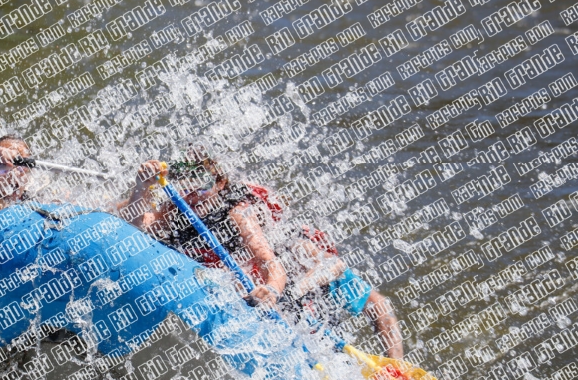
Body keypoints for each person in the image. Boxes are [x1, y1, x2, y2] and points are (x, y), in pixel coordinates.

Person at [117, 149, 404, 359]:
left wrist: (271, 290)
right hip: (251, 277)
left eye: (202, 185)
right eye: (186, 185)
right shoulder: (179, 210)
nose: (194, 194)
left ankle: (395, 363)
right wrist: (142, 187)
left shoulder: (239, 214)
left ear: (219, 185)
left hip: (290, 279)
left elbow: (273, 267)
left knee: (369, 299)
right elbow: (136, 226)